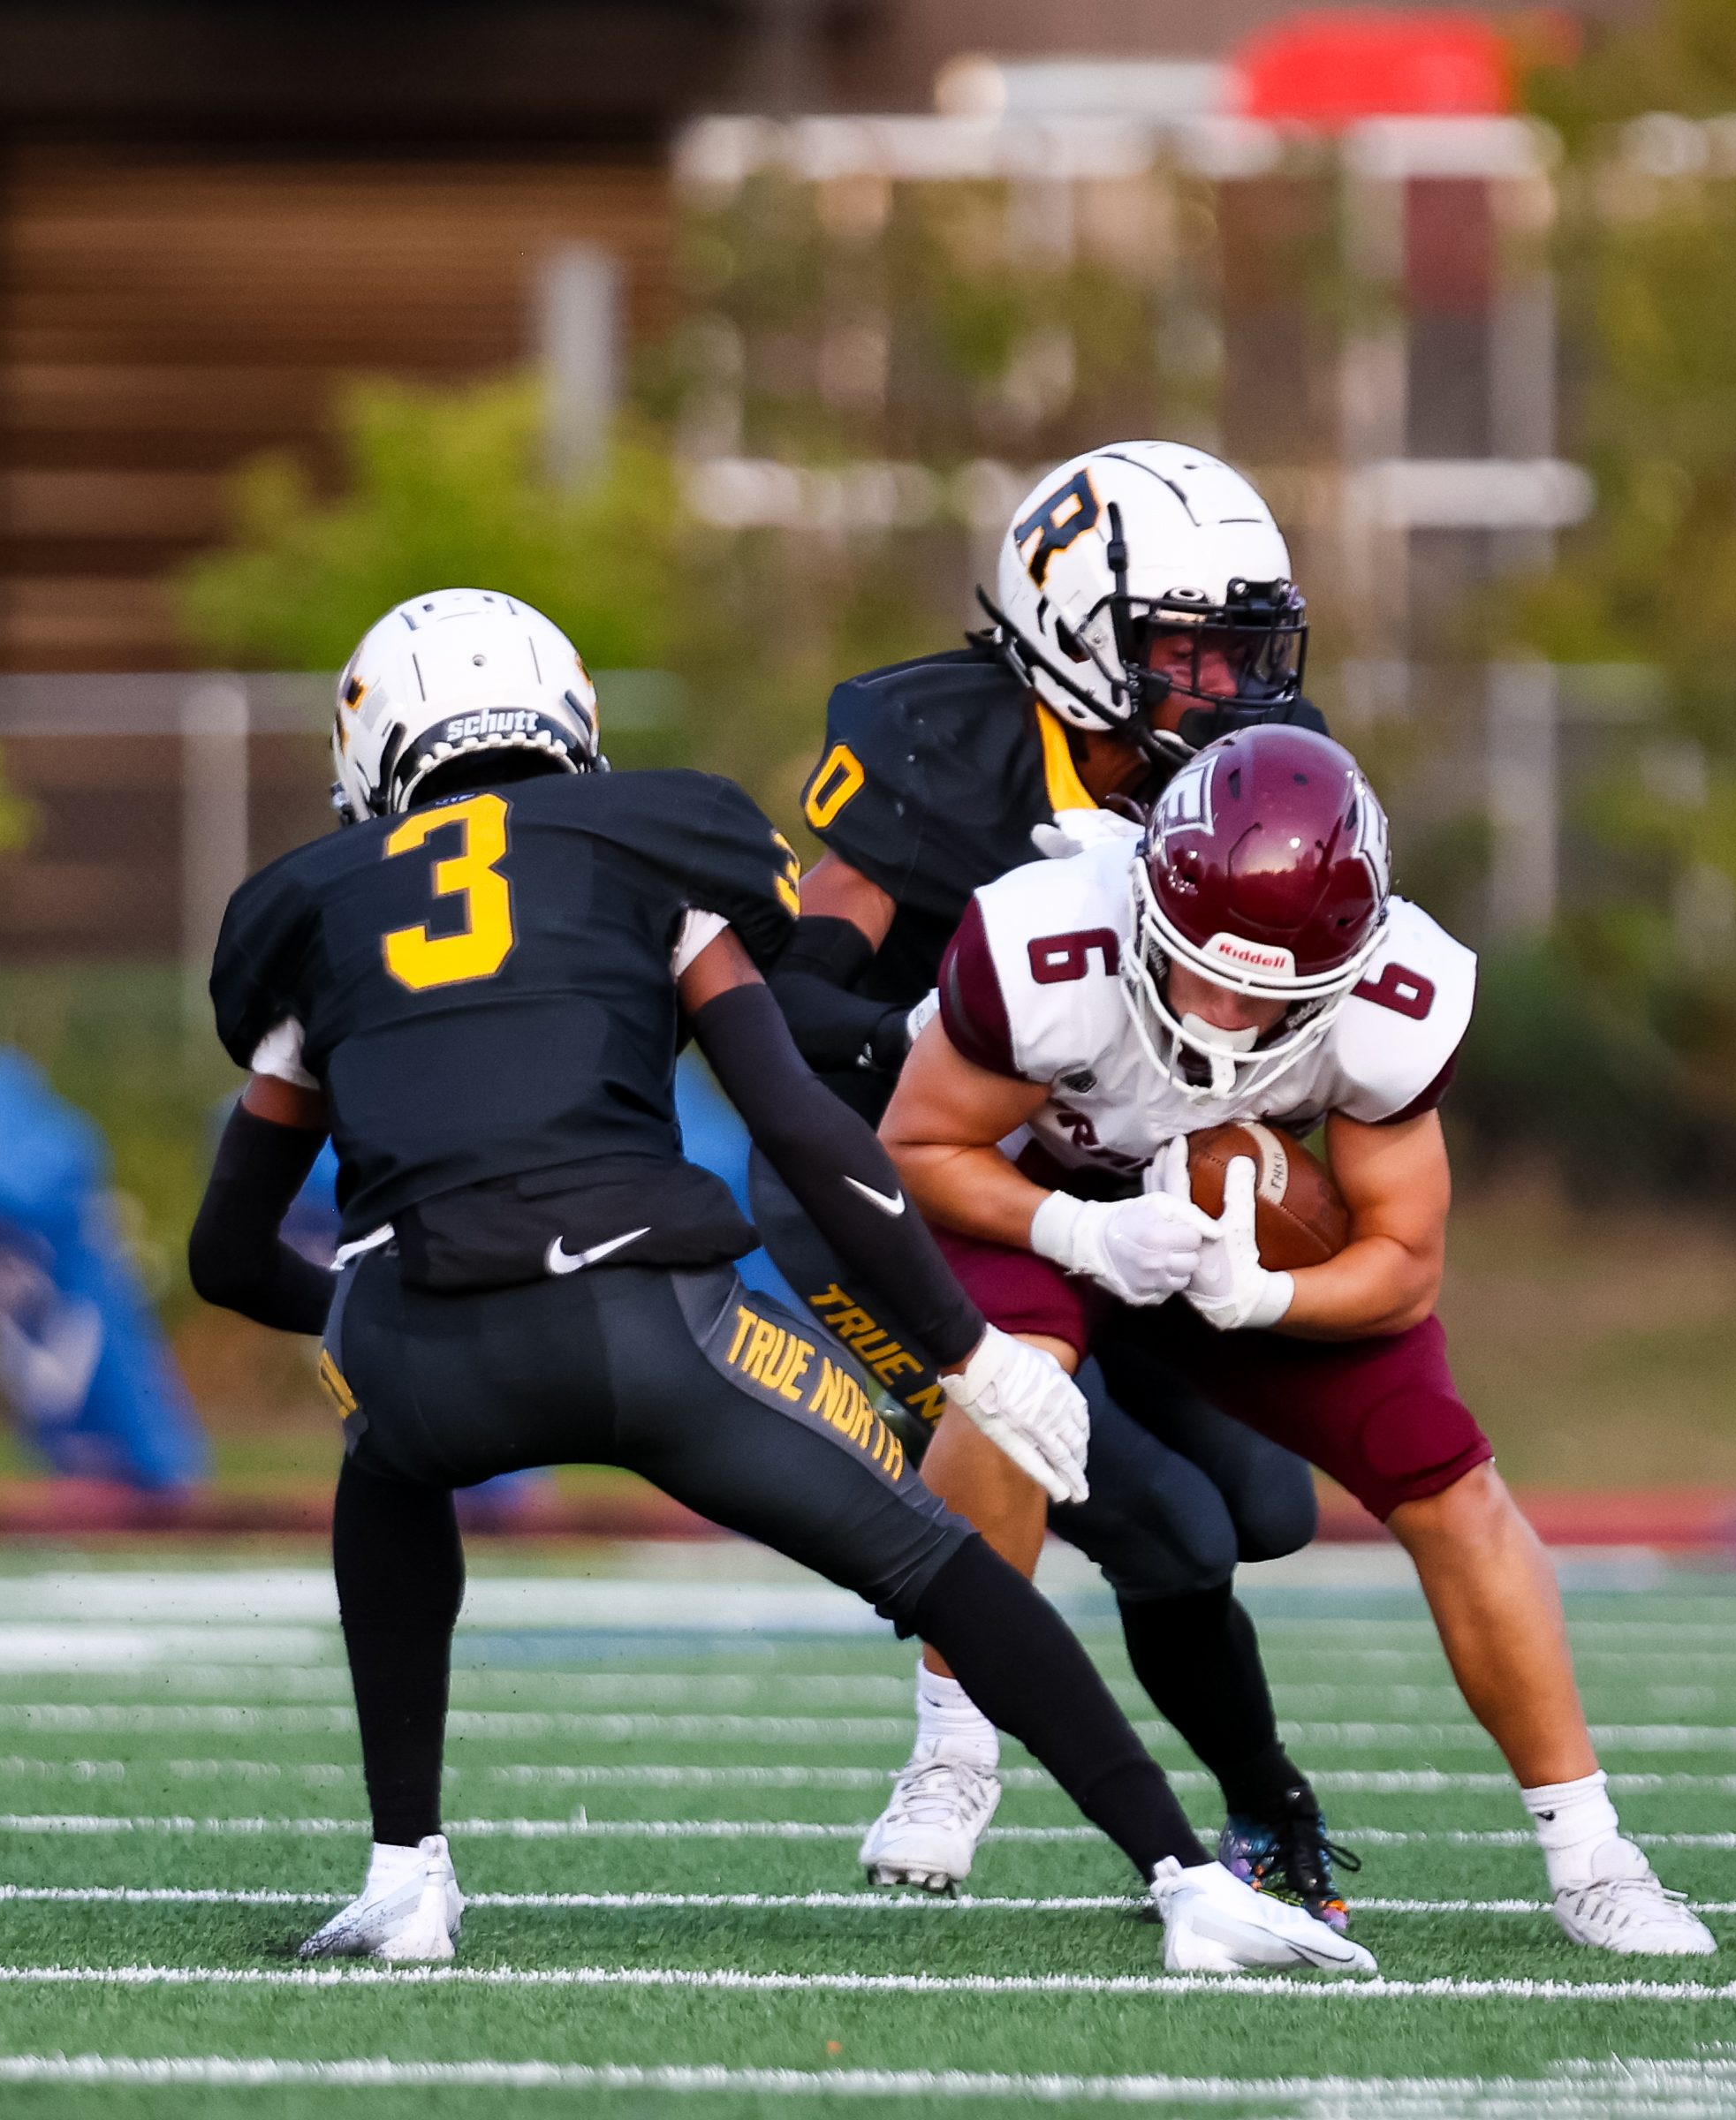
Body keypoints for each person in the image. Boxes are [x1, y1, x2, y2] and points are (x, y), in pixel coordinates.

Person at [187, 586, 1372, 1977]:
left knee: (384, 1462)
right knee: (939, 1566)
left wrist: (364, 1313)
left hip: (416, 1349)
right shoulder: (657, 838)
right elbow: (807, 1131)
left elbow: (223, 1252)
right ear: (570, 722)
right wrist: (963, 1350)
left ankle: (404, 1876)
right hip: (644, 1317)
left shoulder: (307, 909)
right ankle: (1186, 1880)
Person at [876, 720, 1718, 1957]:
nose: (1219, 1011)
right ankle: (950, 1750)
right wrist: (1079, 1231)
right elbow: (915, 1147)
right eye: (1193, 969)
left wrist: (1263, 1298)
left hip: (1227, 1232)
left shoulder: (1389, 1001)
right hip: (1034, 1205)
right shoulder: (1051, 939)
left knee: (1447, 1474)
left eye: (1262, 993)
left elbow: (1404, 1268)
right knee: (1013, 1381)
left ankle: (1593, 1855)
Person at [750, 439, 1351, 1914]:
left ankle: (1257, 1790)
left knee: (1262, 1512)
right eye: (1189, 651)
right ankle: (970, 1755)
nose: (1230, 687)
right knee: (1154, 1517)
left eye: (1244, 647)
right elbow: (780, 1002)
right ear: (1076, 630)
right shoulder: (938, 743)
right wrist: (954, 1038)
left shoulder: (1253, 767)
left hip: (1124, 1197)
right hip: (898, 1185)